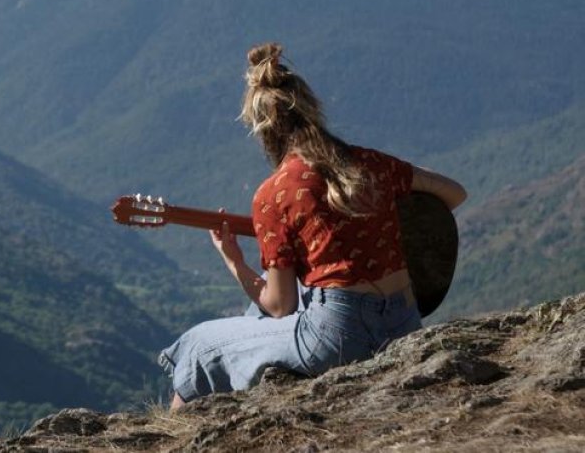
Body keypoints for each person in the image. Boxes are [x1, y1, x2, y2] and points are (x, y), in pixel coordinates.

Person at [159, 42, 467, 410]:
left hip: (339, 338)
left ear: (264, 129)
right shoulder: (371, 163)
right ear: (312, 109)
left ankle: (168, 436)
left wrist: (235, 263)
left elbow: (280, 305)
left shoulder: (273, 193)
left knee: (200, 345)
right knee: (252, 315)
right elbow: (455, 193)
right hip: (404, 320)